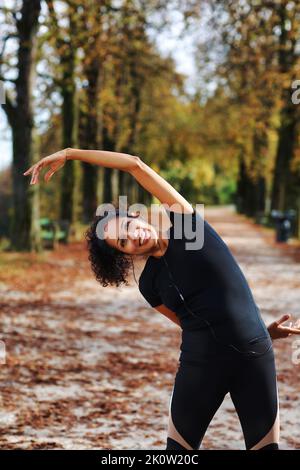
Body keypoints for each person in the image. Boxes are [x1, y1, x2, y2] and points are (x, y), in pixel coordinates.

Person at [23, 148, 300, 450]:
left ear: (136, 216)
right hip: (200, 365)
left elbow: (135, 165)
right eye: (123, 242)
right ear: (123, 255)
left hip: (254, 355)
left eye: (129, 226)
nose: (134, 236)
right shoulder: (149, 285)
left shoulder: (188, 227)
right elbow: (189, 322)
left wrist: (70, 154)